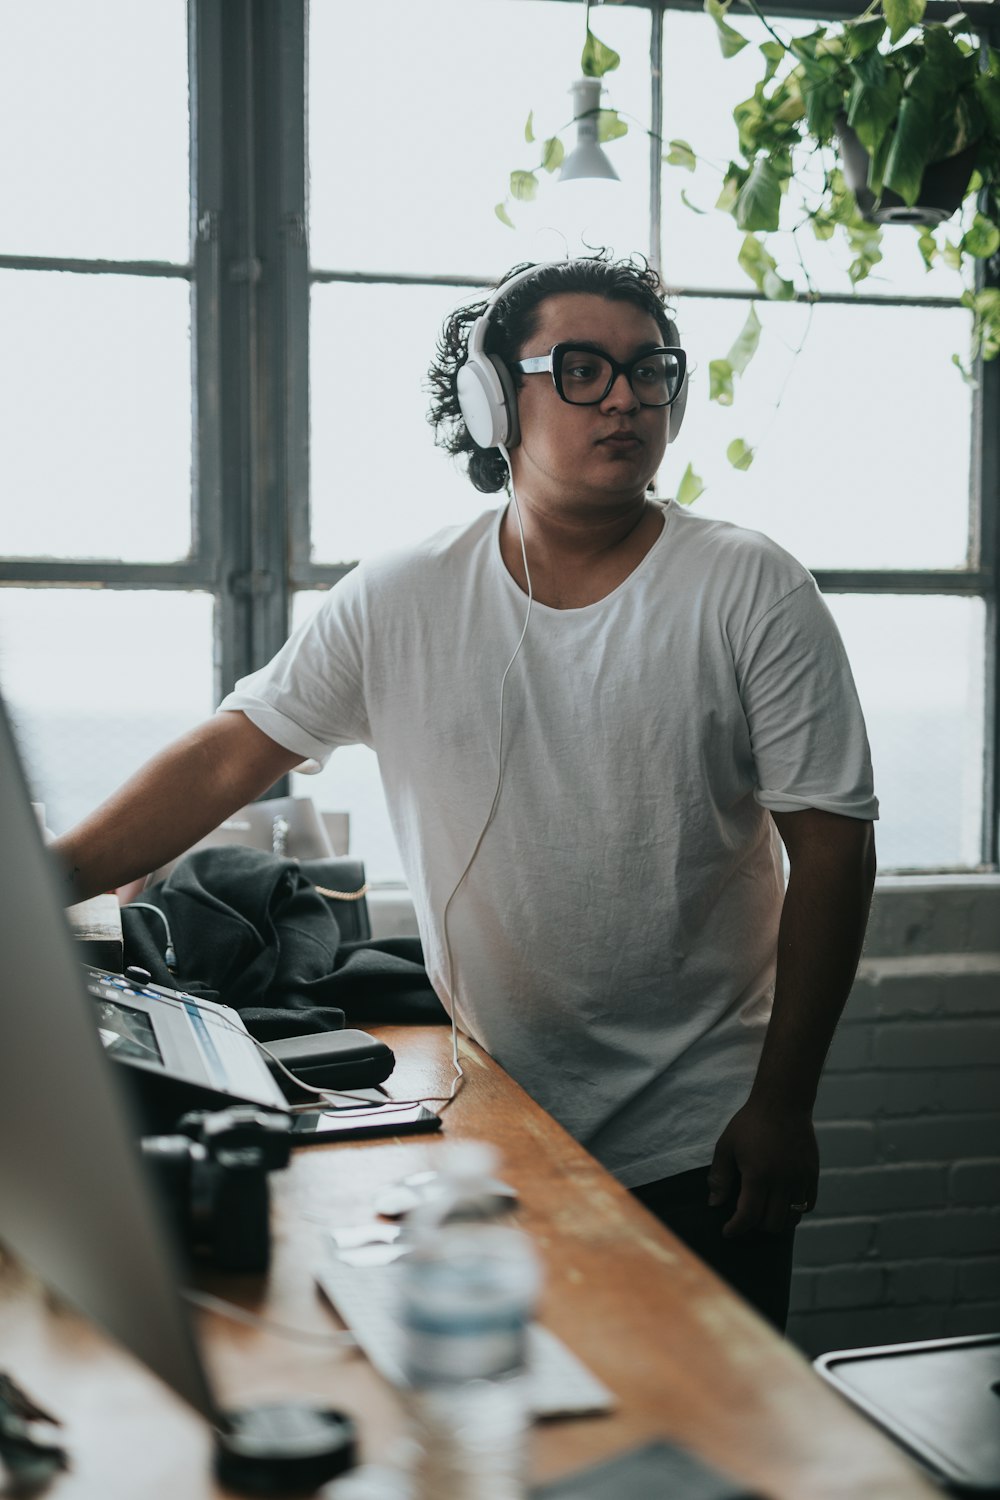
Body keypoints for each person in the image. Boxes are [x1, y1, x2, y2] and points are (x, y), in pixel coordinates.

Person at [54, 255, 877, 1330]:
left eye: (649, 370)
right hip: (499, 1114)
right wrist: (44, 883)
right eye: (580, 369)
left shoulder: (749, 587)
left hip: (704, 1134)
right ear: (494, 400)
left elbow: (833, 852)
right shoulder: (402, 595)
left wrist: (782, 1104)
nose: (625, 397)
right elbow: (225, 757)